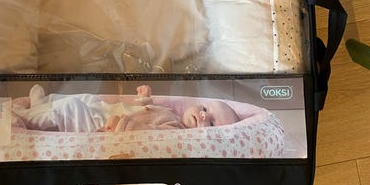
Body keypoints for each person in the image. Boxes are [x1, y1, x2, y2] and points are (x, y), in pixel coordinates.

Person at [14, 84, 239, 133]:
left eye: (211, 123)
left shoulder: (176, 131)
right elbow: (146, 112)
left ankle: (23, 117)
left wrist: (125, 125)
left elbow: (148, 132)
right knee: (85, 98)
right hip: (105, 110)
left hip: (104, 125)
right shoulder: (173, 114)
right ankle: (43, 106)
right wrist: (145, 100)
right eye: (205, 108)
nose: (203, 115)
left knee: (72, 108)